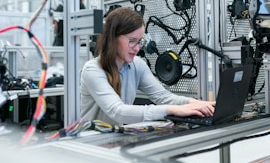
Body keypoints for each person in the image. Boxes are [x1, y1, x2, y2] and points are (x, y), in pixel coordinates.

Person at [80, 7, 215, 125]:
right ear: (113, 38)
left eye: (140, 41)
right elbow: (118, 111)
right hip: (92, 142)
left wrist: (195, 103)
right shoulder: (93, 70)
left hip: (115, 137)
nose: (137, 48)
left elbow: (163, 97)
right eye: (132, 41)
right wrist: (172, 110)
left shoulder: (137, 65)